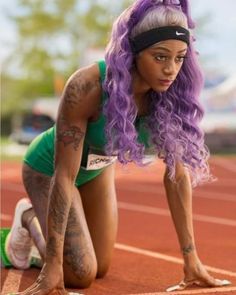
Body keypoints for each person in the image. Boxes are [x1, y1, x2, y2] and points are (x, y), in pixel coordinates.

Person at [5, 0, 231, 294]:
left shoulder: (172, 96)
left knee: (101, 267)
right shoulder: (87, 86)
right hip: (50, 169)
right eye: (160, 57)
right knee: (80, 275)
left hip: (98, 170)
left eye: (179, 58)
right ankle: (29, 217)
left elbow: (176, 176)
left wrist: (191, 260)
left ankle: (45, 233)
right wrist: (52, 266)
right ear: (133, 53)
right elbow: (64, 175)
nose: (171, 69)